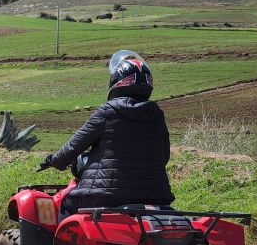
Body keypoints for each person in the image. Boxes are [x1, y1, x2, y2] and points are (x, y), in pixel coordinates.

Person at [40, 50, 174, 217]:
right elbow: (164, 157)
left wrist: (54, 160)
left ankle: (60, 244)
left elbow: (74, 146)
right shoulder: (157, 115)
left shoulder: (108, 111)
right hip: (156, 198)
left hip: (104, 197)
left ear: (117, 80)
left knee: (65, 204)